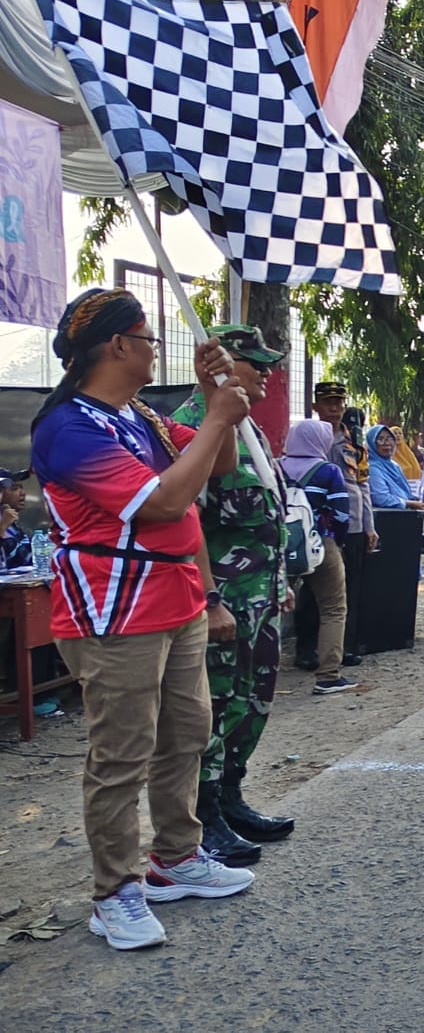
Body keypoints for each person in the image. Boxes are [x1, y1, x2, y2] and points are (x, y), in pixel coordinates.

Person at [30, 289, 255, 951]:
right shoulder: (69, 428)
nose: (157, 350)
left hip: (174, 597)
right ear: (118, 345)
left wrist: (214, 403)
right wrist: (218, 414)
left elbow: (219, 463)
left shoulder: (140, 414)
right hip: (115, 607)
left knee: (186, 731)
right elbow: (164, 503)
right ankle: (114, 892)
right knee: (122, 752)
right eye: (149, 339)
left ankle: (175, 857)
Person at [170, 324, 294, 868]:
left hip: (259, 597)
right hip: (221, 600)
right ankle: (203, 817)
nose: (265, 372)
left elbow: (268, 512)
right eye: (254, 362)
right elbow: (187, 521)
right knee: (214, 709)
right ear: (219, 365)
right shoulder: (197, 425)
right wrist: (210, 598)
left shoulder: (248, 427)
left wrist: (280, 583)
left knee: (252, 702)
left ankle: (230, 796)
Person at [281, 421, 357, 695]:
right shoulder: (328, 471)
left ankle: (260, 676)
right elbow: (341, 513)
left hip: (282, 545)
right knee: (333, 608)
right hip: (319, 543)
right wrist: (336, 541)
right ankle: (328, 676)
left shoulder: (276, 466)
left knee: (273, 607)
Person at [309, 383, 375, 668]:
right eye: (328, 402)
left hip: (354, 521)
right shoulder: (309, 437)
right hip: (321, 524)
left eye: (339, 402)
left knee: (351, 587)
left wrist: (370, 525)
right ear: (316, 406)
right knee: (314, 590)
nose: (334, 408)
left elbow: (364, 484)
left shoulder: (354, 442)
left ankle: (343, 646)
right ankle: (308, 648)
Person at [367, 425, 424, 511]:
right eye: (380, 439)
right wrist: (409, 503)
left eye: (390, 439)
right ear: (372, 443)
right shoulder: (373, 468)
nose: (387, 443)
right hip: (388, 516)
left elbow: (405, 493)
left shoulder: (394, 465)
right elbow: (381, 498)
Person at [1, 465, 32, 568]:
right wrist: (3, 526)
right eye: (14, 489)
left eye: (22, 488)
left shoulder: (12, 521)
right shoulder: (5, 521)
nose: (23, 493)